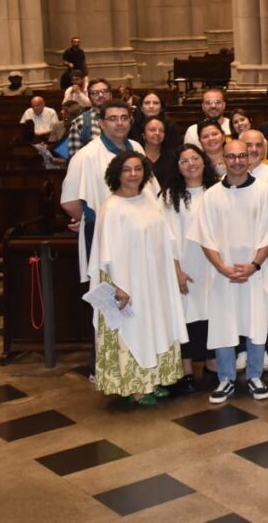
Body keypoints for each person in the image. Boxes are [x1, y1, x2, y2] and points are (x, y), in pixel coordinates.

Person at [88, 151, 186, 405]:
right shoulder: (112, 208)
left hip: (154, 279)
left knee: (154, 326)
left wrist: (173, 269)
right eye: (127, 170)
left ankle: (153, 380)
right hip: (127, 282)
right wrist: (120, 285)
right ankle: (136, 387)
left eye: (138, 169)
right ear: (116, 174)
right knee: (134, 328)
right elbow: (108, 252)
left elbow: (165, 237)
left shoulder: (148, 199)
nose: (133, 174)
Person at [198, 139, 268, 404]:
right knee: (224, 324)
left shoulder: (265, 192)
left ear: (250, 158)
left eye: (242, 155)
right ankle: (226, 378)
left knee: (256, 322)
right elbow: (205, 237)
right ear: (223, 159)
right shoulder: (211, 195)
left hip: (254, 272)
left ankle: (255, 375)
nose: (237, 161)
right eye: (231, 157)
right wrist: (222, 267)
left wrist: (254, 265)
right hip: (223, 274)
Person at [61, 100, 146, 283]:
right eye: (113, 118)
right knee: (110, 294)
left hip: (139, 232)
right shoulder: (86, 156)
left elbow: (149, 190)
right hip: (105, 237)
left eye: (124, 118)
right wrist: (91, 219)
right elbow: (69, 201)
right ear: (101, 123)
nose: (120, 123)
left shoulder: (137, 148)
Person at [162, 144, 216, 392]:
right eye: (184, 161)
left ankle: (212, 366)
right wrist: (176, 269)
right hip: (184, 265)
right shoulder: (169, 196)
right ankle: (186, 372)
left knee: (212, 317)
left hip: (214, 267)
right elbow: (166, 237)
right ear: (178, 167)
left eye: (195, 158)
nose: (191, 164)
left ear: (204, 162)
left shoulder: (217, 191)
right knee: (186, 317)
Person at [64, 77, 113, 157]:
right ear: (89, 97)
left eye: (104, 91)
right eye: (95, 92)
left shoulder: (125, 119)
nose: (100, 95)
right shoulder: (80, 122)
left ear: (111, 95)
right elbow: (76, 159)